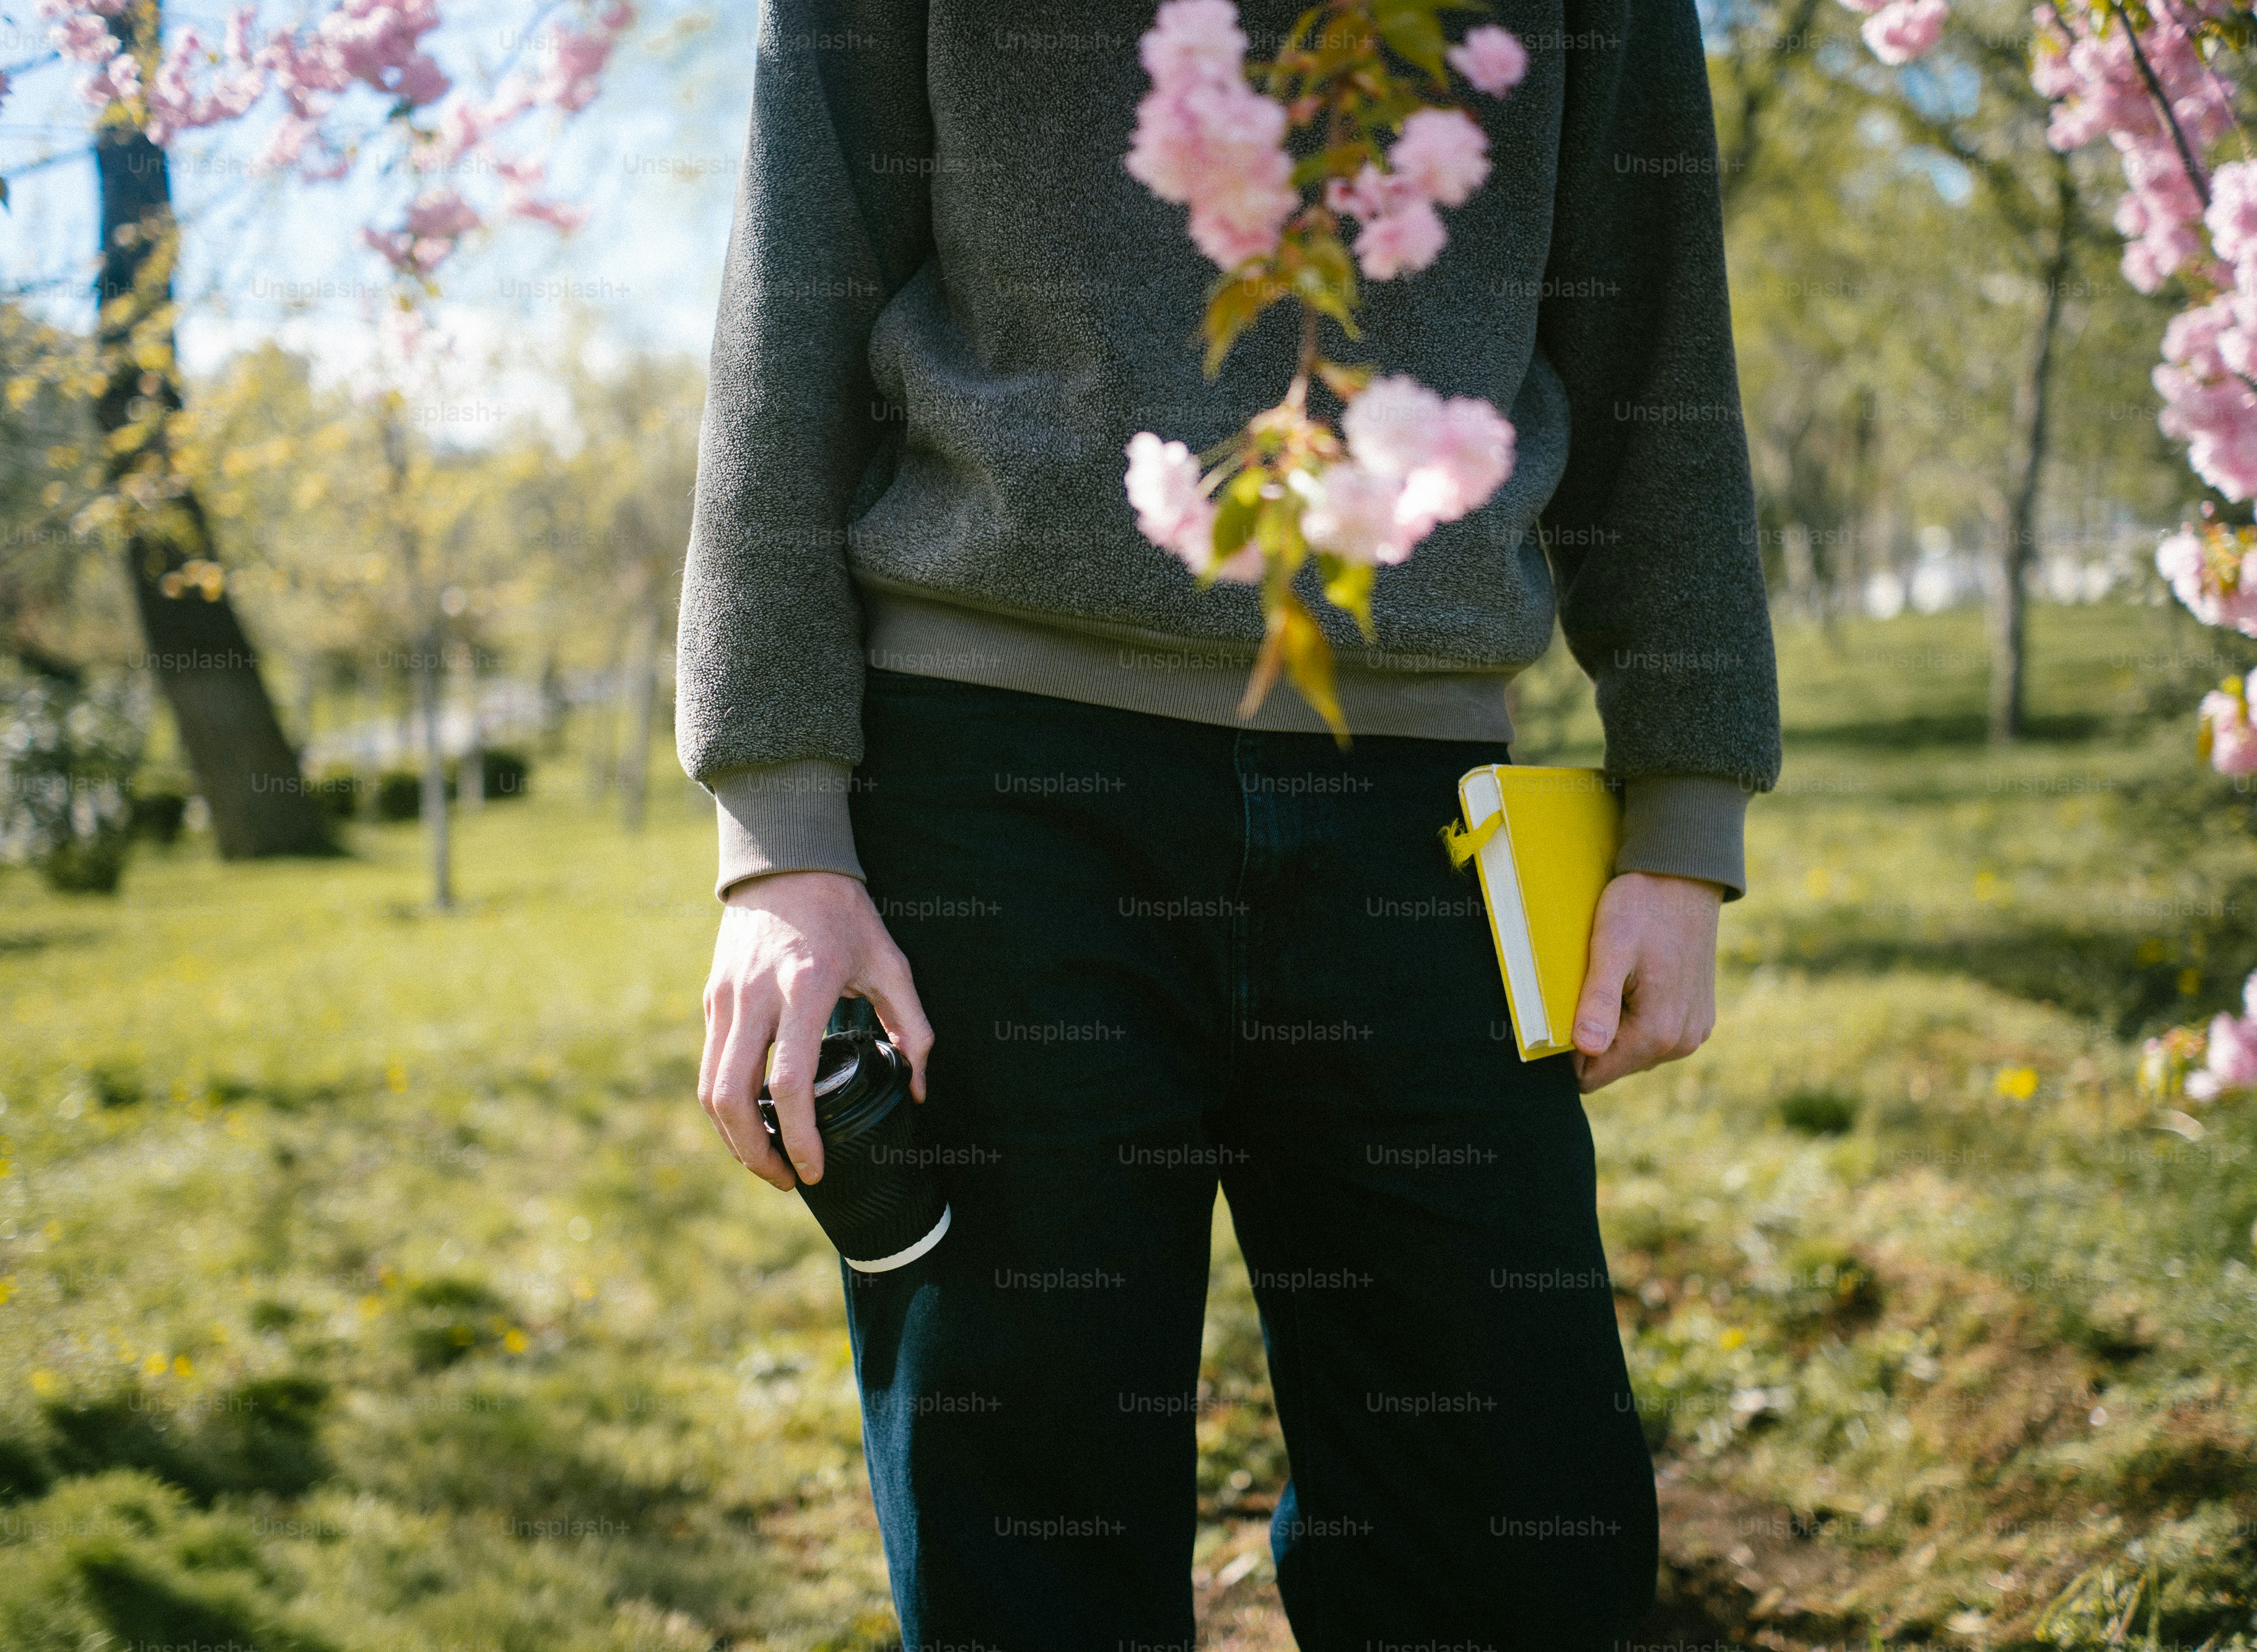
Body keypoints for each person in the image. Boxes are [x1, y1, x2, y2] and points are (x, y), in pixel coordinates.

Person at [677, 1, 1780, 1645]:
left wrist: (1684, 801)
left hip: (1430, 821)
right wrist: (781, 835)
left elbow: (1654, 331)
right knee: (1028, 1559)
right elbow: (797, 281)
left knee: (1510, 1540)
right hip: (992, 808)